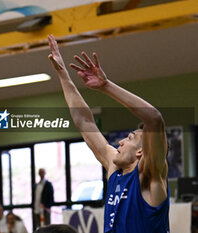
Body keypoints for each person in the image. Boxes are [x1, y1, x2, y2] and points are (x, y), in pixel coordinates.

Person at [47, 35, 169, 233]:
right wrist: (62, 74)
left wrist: (106, 86)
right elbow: (85, 122)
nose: (120, 142)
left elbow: (154, 119)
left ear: (141, 152)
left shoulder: (149, 177)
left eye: (129, 139)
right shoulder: (115, 168)